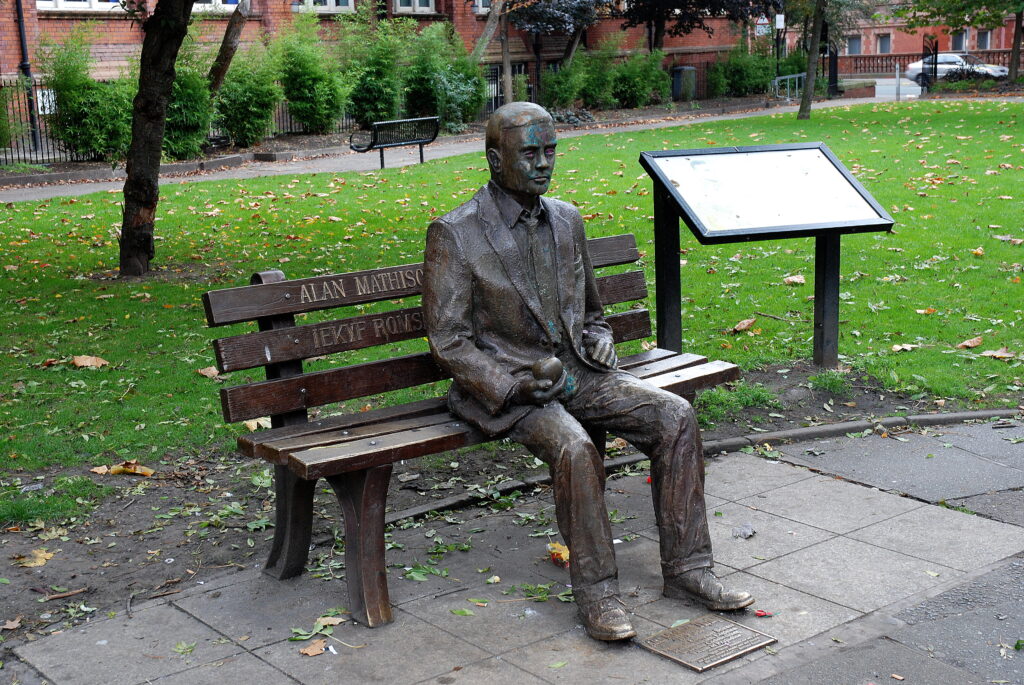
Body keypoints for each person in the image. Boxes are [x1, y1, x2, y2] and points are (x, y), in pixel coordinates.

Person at [422, 102, 753, 642]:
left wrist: (598, 341)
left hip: (578, 373)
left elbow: (593, 315)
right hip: (509, 390)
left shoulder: (567, 219)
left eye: (550, 150)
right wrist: (511, 384)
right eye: (529, 152)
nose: (543, 163)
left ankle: (690, 571)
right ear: (493, 158)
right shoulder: (456, 233)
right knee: (575, 448)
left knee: (675, 415)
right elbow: (449, 341)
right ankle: (598, 594)